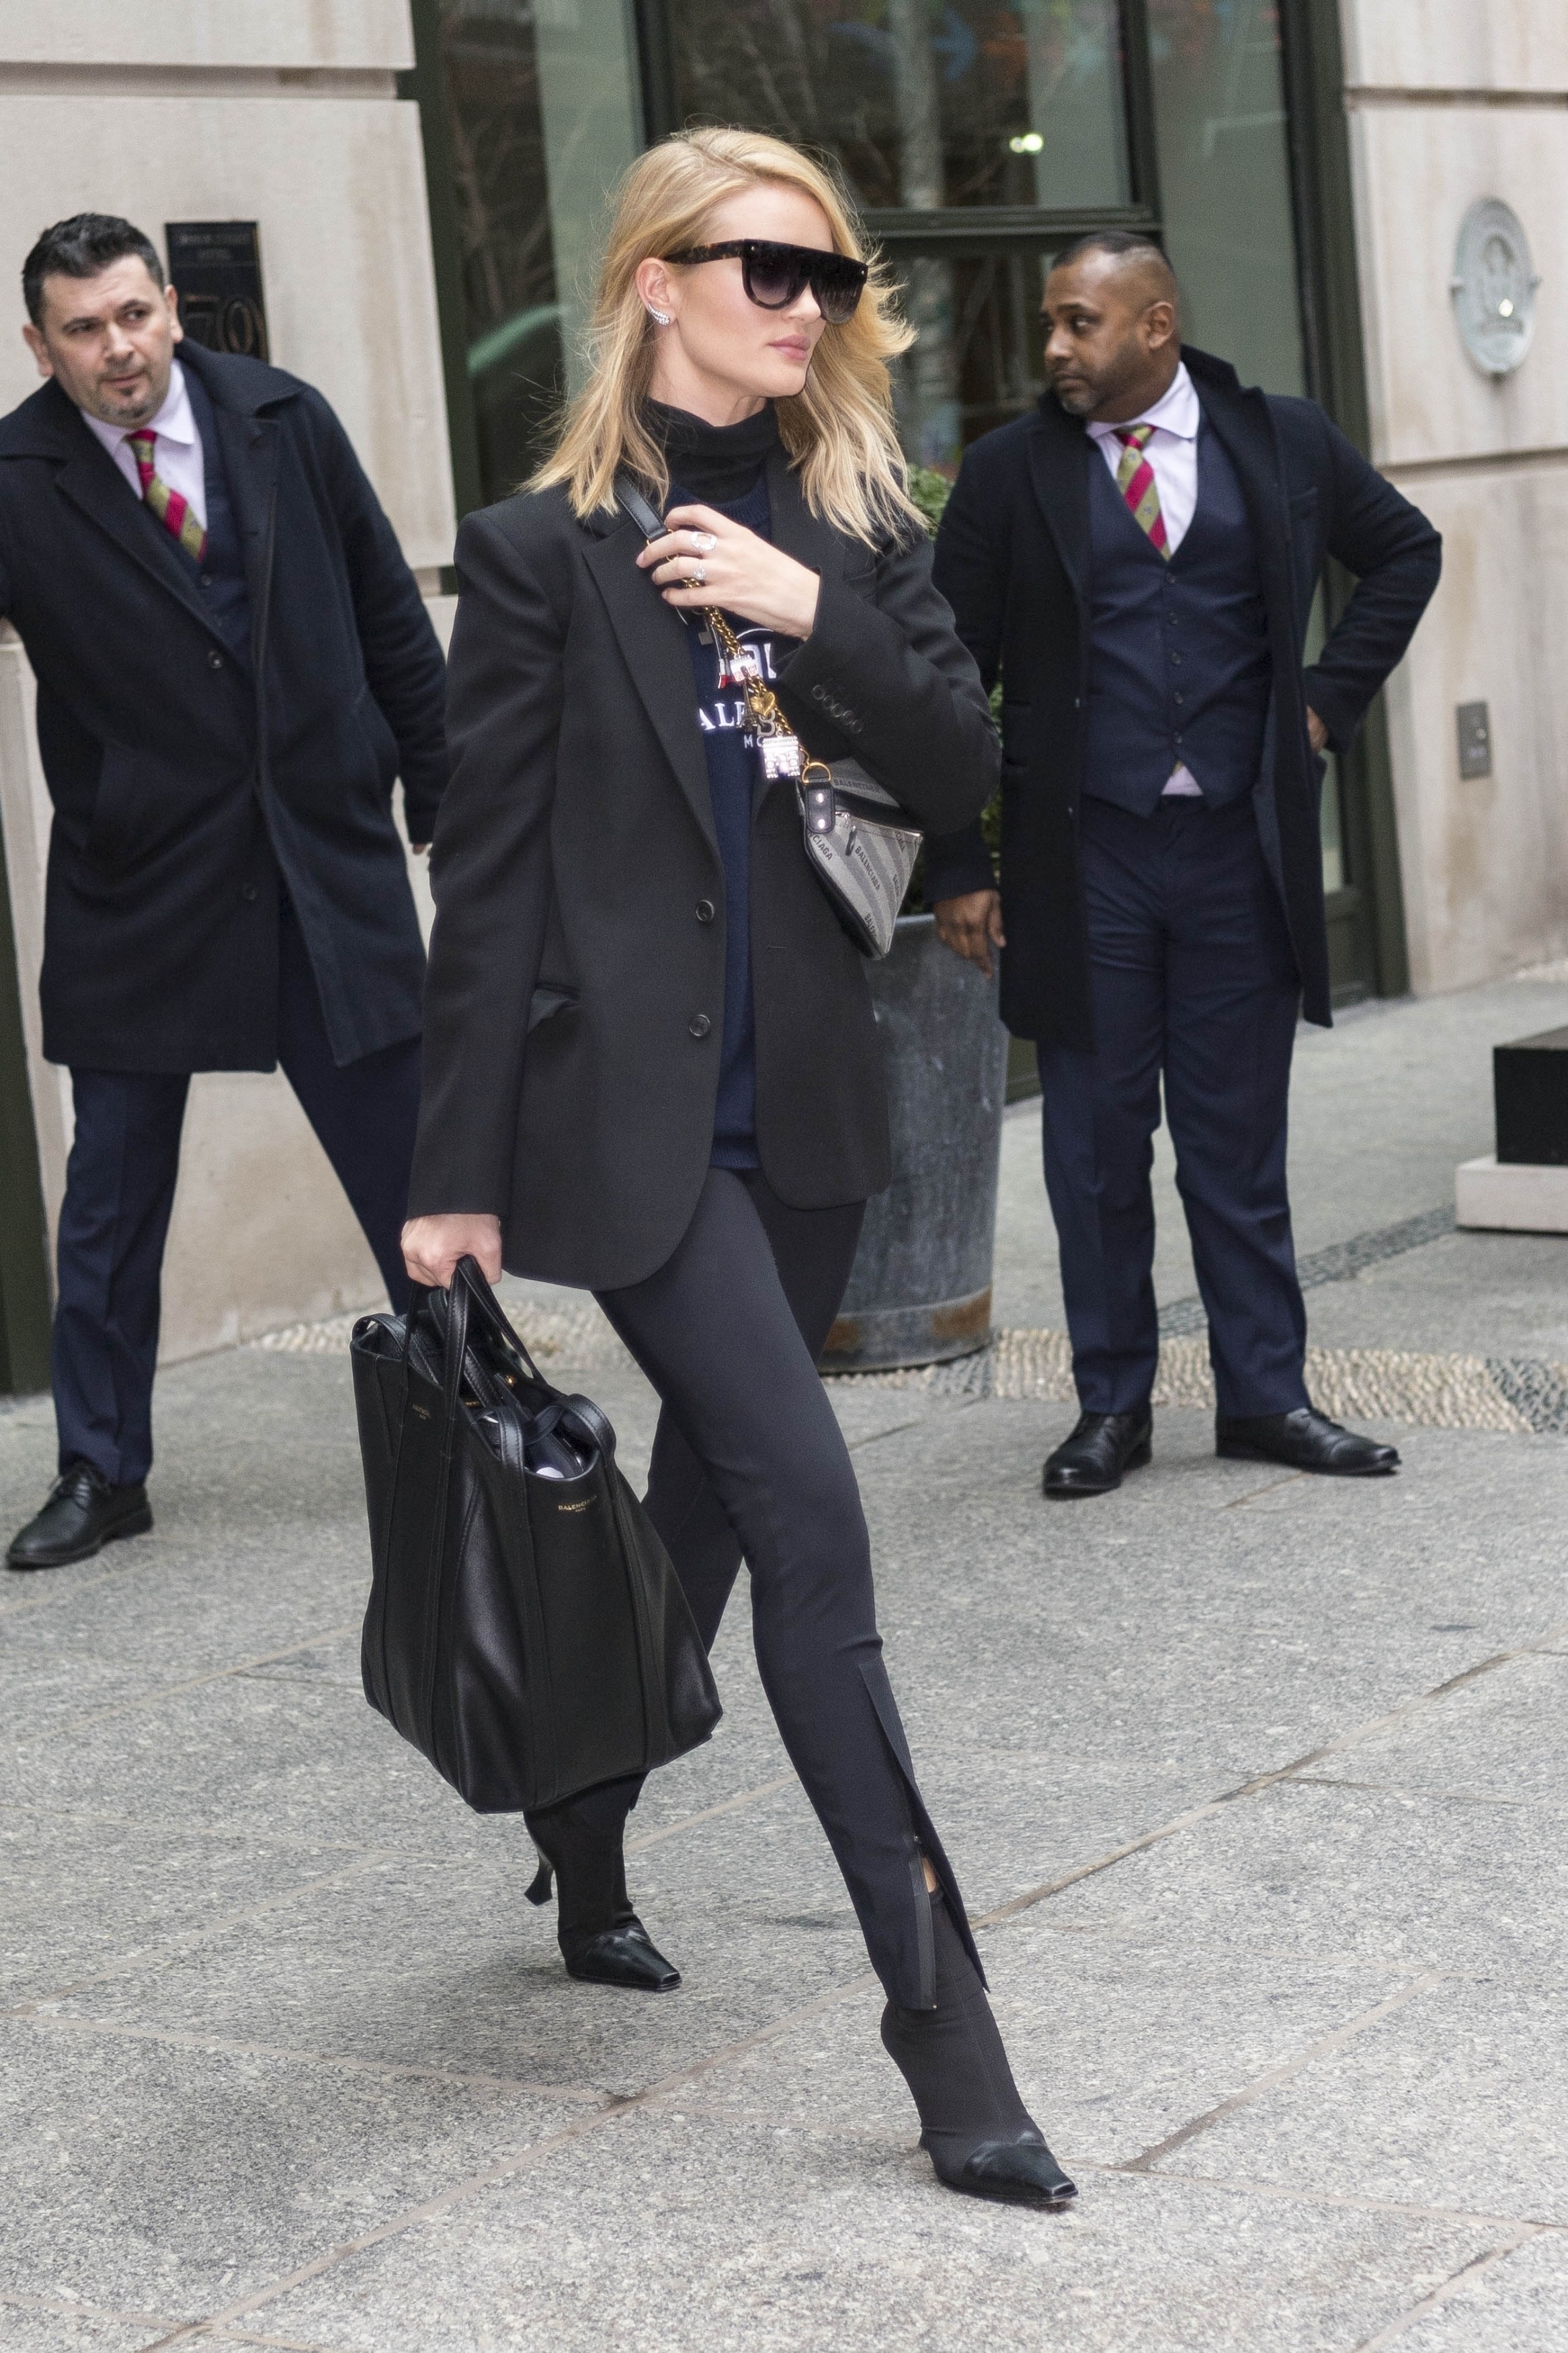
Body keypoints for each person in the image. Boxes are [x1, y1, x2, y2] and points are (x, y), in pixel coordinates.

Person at [401, 127, 1076, 2210]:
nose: (802, 305)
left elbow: (962, 773)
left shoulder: (855, 521)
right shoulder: (538, 554)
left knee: (702, 1493)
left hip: (805, 1119)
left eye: (826, 276)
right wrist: (447, 1170)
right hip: (627, 1131)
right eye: (761, 267)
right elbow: (484, 877)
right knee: (807, 1519)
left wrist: (810, 611)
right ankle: (946, 2037)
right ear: (653, 283)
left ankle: (582, 1825)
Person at [926, 232, 1441, 1499]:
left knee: (1234, 1145)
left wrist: (1322, 699)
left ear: (1154, 325)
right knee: (1096, 1150)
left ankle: (1266, 1397)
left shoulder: (1280, 439)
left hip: (1233, 853)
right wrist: (956, 860)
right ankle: (1111, 1409)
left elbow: (1405, 551)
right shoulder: (1008, 472)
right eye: (1049, 323)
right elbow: (944, 675)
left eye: (1079, 322)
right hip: (1082, 858)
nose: (1054, 347)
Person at [0, 214, 446, 1569]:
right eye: (83, 329)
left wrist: (444, 801)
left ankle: (475, 1406)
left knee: (415, 1171)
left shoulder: (284, 420)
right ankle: (101, 1467)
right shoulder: (16, 478)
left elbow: (390, 614)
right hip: (137, 881)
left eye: (132, 315)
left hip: (320, 861)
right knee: (112, 1197)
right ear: (40, 346)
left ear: (172, 309)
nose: (116, 349)